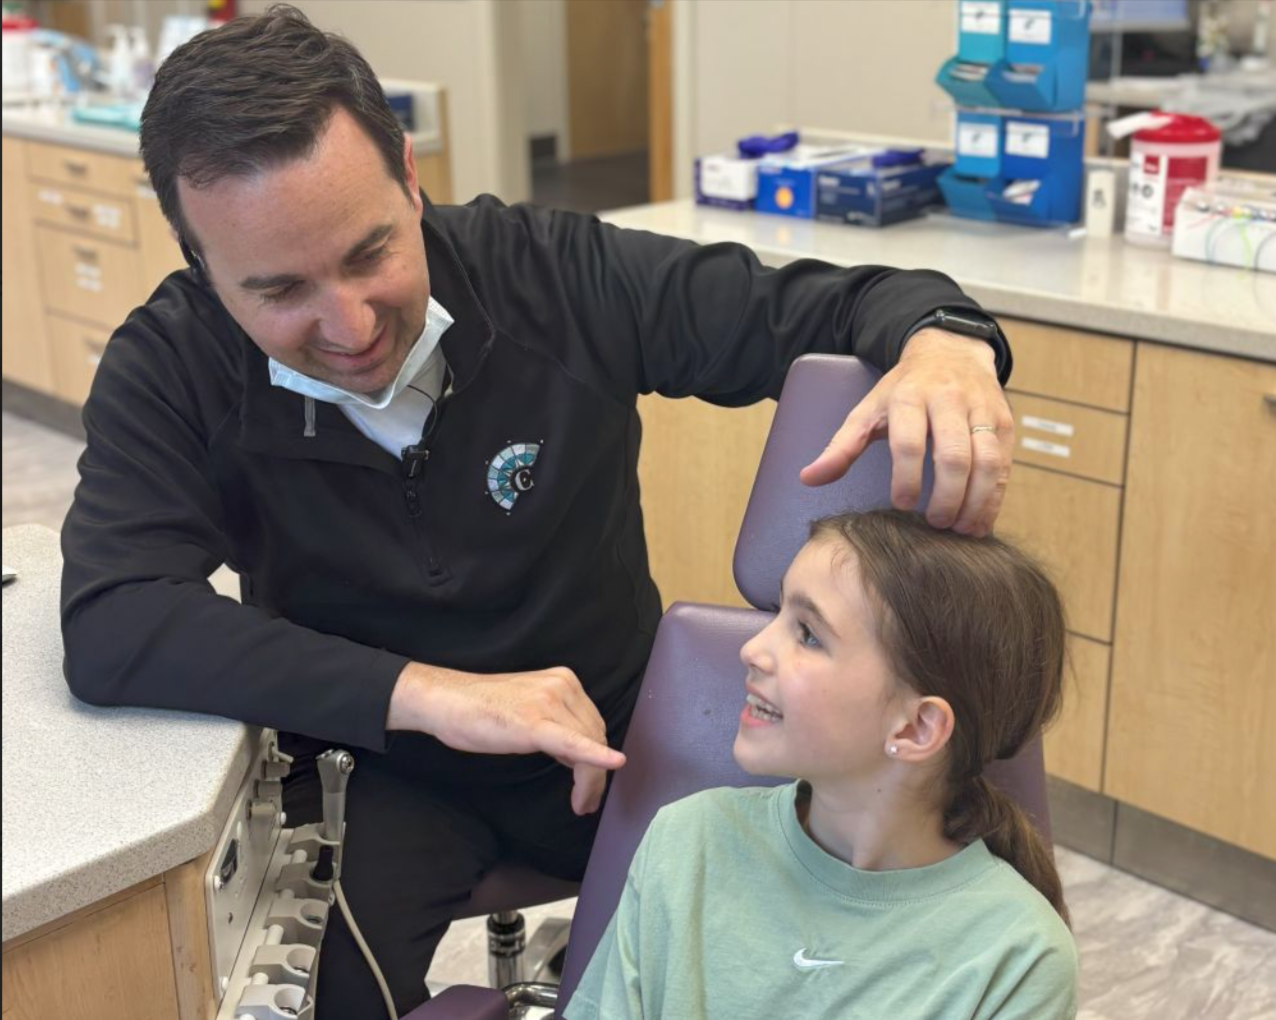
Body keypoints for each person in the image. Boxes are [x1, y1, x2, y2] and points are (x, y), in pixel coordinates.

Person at [59, 6, 1019, 1016]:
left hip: (614, 742)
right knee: (321, 989)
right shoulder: (172, 365)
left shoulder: (557, 279)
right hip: (383, 769)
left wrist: (944, 339)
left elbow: (825, 307)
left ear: (408, 172)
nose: (347, 325)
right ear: (201, 266)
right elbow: (115, 619)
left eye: (370, 251)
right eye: (279, 289)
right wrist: (430, 694)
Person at [567, 509, 1077, 1020]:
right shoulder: (687, 842)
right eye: (777, 614)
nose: (752, 649)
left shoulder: (1018, 957)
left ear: (915, 728)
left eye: (808, 634)